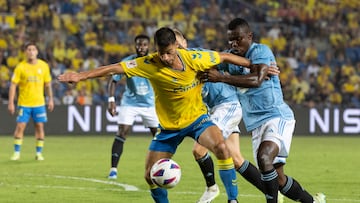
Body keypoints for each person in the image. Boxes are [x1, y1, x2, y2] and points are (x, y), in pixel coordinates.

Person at [58, 27, 255, 203]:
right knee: (149, 176)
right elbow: (115, 68)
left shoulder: (194, 58)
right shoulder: (149, 63)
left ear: (176, 47)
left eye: (169, 53)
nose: (166, 58)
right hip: (169, 128)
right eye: (162, 54)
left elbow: (225, 57)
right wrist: (80, 76)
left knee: (221, 147)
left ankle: (232, 199)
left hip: (197, 119)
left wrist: (255, 66)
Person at [200, 18, 326, 203]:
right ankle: (313, 202)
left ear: (249, 36)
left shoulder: (260, 51)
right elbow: (208, 66)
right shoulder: (230, 58)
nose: (234, 43)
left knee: (264, 157)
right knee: (279, 179)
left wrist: (222, 78)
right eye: (230, 40)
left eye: (238, 39)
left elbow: (257, 80)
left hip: (277, 115)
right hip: (256, 125)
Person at [173, 28, 282, 203]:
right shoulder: (172, 70)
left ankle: (213, 189)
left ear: (185, 43)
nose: (178, 49)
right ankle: (273, 192)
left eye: (180, 44)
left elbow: (227, 58)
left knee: (199, 149)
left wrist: (259, 67)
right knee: (237, 160)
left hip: (227, 105)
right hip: (215, 110)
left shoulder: (197, 55)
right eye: (173, 47)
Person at [107, 34, 159, 179]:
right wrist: (111, 99)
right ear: (135, 45)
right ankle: (113, 169)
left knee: (158, 135)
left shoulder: (155, 61)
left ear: (149, 46)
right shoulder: (128, 62)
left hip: (150, 104)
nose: (141, 47)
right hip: (130, 102)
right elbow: (113, 80)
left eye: (144, 45)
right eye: (138, 45)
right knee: (122, 132)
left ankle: (160, 166)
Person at [8, 42, 54, 161]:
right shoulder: (20, 67)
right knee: (20, 126)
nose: (31, 52)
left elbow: (48, 85)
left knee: (39, 126)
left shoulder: (43, 66)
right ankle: (16, 152)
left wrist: (51, 99)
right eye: (29, 49)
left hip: (39, 103)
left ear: (37, 52)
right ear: (25, 52)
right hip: (24, 103)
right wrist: (11, 102)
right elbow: (13, 85)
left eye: (33, 49)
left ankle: (39, 153)